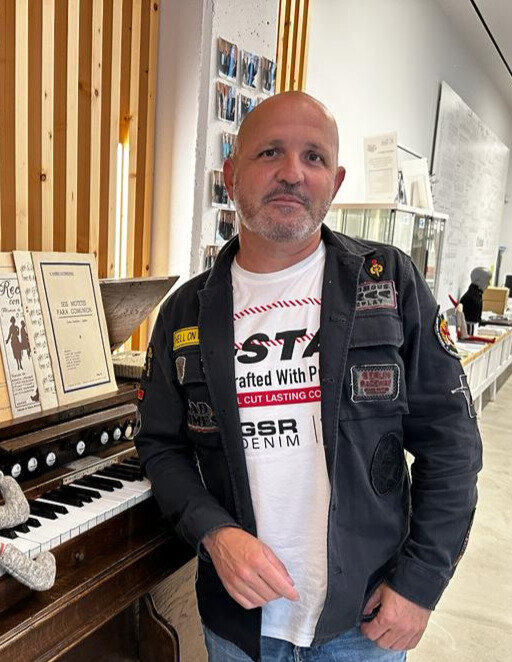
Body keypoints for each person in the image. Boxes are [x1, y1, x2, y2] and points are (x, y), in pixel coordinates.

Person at [135, 92, 482, 662]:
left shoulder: (389, 284)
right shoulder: (184, 313)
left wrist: (421, 582)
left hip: (363, 623)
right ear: (231, 175)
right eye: (270, 152)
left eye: (314, 157)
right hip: (237, 626)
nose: (293, 173)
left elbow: (452, 444)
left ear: (335, 181)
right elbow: (160, 445)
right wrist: (214, 533)